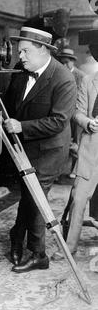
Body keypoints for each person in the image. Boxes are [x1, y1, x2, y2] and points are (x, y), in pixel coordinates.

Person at [3, 26, 77, 273]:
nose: (20, 56)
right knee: (28, 194)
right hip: (23, 148)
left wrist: (20, 126)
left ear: (44, 50)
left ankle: (39, 254)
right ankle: (16, 236)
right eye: (19, 51)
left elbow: (59, 121)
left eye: (25, 51)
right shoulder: (21, 74)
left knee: (36, 197)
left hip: (50, 149)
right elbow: (10, 105)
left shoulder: (63, 77)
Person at [52, 69, 98, 260]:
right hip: (91, 150)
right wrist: (88, 122)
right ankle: (69, 246)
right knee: (78, 199)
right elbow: (77, 112)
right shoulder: (88, 80)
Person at [57, 47, 87, 178]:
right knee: (61, 141)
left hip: (77, 113)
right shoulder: (58, 75)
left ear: (72, 62)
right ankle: (57, 171)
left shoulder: (81, 76)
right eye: (62, 62)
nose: (64, 64)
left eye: (67, 62)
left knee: (77, 142)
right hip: (62, 112)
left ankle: (75, 170)